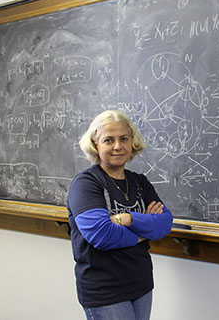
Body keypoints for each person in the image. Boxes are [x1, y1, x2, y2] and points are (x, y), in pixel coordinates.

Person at [67, 109, 173, 320]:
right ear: (95, 145)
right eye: (108, 140)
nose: (118, 146)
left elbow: (164, 223)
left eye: (124, 139)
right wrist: (144, 232)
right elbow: (102, 235)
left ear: (132, 142)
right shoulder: (86, 184)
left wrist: (130, 219)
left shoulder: (140, 182)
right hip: (104, 290)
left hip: (141, 284)